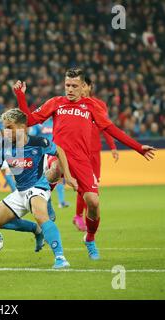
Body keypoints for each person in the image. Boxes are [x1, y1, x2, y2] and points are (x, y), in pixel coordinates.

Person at [13, 68, 156, 260]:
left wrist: (138, 147)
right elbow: (29, 120)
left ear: (83, 87)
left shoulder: (91, 106)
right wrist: (21, 96)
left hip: (82, 160)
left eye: (74, 86)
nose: (70, 89)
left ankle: (89, 238)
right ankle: (43, 199)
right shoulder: (56, 103)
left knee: (93, 202)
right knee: (55, 169)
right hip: (59, 155)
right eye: (67, 85)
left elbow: (111, 129)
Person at [0, 108, 78, 269]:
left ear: (22, 128)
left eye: (9, 127)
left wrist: (67, 176)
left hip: (38, 187)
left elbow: (59, 151)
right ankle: (36, 230)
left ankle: (60, 258)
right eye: (4, 127)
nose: (5, 131)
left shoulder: (39, 143)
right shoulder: (2, 147)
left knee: (41, 215)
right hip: (20, 192)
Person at [73, 77, 120, 231]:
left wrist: (112, 146)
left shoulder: (99, 105)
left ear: (89, 87)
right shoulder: (73, 104)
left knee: (92, 186)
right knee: (82, 185)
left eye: (84, 85)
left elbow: (105, 126)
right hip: (80, 151)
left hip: (94, 151)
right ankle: (78, 216)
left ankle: (88, 217)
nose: (82, 88)